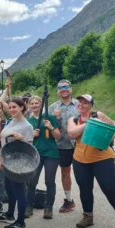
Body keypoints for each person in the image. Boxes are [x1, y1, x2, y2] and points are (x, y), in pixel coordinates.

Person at [67, 94, 115, 228]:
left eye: (85, 103)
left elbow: (114, 129)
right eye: (80, 102)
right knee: (85, 189)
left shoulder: (98, 114)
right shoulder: (73, 119)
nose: (81, 105)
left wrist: (107, 140)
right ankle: (88, 216)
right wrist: (89, 123)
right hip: (80, 160)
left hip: (102, 158)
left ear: (91, 105)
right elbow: (72, 134)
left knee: (110, 187)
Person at [0, 98, 33, 228]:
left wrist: (22, 139)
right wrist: (0, 158)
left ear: (22, 107)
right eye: (10, 107)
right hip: (7, 160)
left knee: (19, 192)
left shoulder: (27, 126)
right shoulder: (11, 121)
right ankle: (10, 214)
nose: (11, 110)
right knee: (9, 190)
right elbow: (3, 141)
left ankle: (21, 222)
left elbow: (30, 148)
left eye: (14, 107)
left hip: (18, 164)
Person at [25, 96, 61, 219]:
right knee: (32, 181)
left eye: (37, 103)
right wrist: (32, 135)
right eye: (32, 103)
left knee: (49, 181)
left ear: (41, 105)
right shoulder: (28, 121)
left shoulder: (49, 117)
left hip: (51, 154)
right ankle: (29, 205)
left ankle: (48, 207)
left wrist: (50, 127)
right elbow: (25, 141)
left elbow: (58, 137)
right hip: (36, 154)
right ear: (29, 105)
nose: (34, 105)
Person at [48, 79, 78, 213]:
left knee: (83, 174)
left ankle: (87, 202)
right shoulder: (53, 107)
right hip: (62, 145)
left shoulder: (79, 104)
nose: (64, 89)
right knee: (65, 172)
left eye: (66, 87)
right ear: (58, 91)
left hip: (80, 145)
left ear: (71, 88)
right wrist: (53, 119)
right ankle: (68, 200)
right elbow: (47, 126)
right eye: (61, 87)